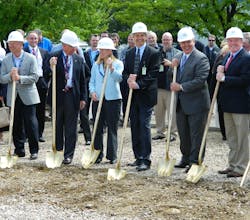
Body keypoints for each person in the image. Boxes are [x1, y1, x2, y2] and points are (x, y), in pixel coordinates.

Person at [171, 27, 210, 172]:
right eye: (182, 43)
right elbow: (174, 76)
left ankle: (195, 162)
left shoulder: (201, 58)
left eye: (188, 42)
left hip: (197, 103)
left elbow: (200, 80)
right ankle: (186, 157)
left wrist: (181, 87)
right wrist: (172, 68)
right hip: (182, 103)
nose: (185, 45)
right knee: (184, 133)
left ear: (193, 41)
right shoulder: (179, 57)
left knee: (196, 134)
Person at [123, 22, 160, 171]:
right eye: (136, 35)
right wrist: (128, 79)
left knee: (144, 126)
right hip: (132, 97)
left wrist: (138, 84)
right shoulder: (129, 53)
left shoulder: (153, 53)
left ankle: (145, 158)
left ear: (146, 37)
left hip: (145, 95)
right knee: (135, 126)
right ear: (133, 37)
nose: (139, 38)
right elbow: (125, 71)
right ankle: (137, 156)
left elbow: (153, 73)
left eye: (141, 35)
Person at [48, 30, 87, 165]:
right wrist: (50, 66)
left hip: (72, 96)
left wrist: (83, 98)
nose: (75, 48)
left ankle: (69, 154)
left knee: (71, 127)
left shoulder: (79, 59)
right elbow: (45, 74)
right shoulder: (54, 56)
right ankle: (58, 150)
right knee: (58, 124)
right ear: (64, 45)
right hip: (58, 96)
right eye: (72, 46)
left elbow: (82, 80)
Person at [0, 30, 40, 160]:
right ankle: (19, 149)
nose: (11, 46)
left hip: (28, 95)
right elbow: (2, 78)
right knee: (16, 123)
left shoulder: (30, 58)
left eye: (13, 44)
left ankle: (34, 150)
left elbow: (35, 77)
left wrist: (19, 78)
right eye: (10, 44)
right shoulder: (6, 60)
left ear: (21, 44)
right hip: (13, 96)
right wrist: (10, 76)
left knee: (30, 123)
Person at [216, 27, 250, 178]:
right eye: (230, 40)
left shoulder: (246, 58)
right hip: (228, 104)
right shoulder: (228, 56)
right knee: (231, 137)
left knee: (242, 137)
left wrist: (224, 78)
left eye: (236, 40)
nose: (233, 43)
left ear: (242, 42)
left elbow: (245, 80)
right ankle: (233, 164)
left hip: (241, 105)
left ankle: (241, 167)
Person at [89, 37, 123, 164]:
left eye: (104, 49)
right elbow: (91, 82)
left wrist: (111, 68)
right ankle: (97, 153)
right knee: (97, 127)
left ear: (110, 51)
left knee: (112, 127)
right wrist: (92, 92)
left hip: (113, 99)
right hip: (98, 99)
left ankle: (112, 155)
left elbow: (119, 79)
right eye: (100, 49)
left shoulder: (118, 63)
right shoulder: (95, 65)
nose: (101, 51)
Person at [152, 32, 181, 141]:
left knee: (172, 111)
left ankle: (173, 133)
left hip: (170, 87)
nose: (166, 42)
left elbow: (181, 70)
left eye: (168, 40)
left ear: (172, 41)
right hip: (158, 87)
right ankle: (160, 131)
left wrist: (171, 65)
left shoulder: (177, 53)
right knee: (158, 111)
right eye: (164, 40)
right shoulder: (157, 53)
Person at [23, 31, 50, 142]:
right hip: (28, 82)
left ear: (38, 40)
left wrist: (44, 80)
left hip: (40, 82)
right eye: (31, 38)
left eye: (35, 38)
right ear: (27, 40)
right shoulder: (24, 52)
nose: (33, 40)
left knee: (40, 109)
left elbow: (47, 68)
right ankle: (27, 134)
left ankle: (39, 133)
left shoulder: (44, 52)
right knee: (28, 109)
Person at [79, 34, 100, 145]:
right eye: (93, 40)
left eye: (97, 40)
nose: (95, 42)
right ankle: (87, 134)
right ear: (90, 41)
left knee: (97, 109)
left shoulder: (102, 54)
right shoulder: (85, 54)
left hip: (99, 84)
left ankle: (98, 130)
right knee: (84, 111)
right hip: (87, 83)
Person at [209, 41, 229, 141]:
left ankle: (226, 133)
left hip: (226, 93)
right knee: (221, 113)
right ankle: (225, 133)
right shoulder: (220, 63)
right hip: (221, 92)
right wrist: (211, 95)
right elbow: (213, 79)